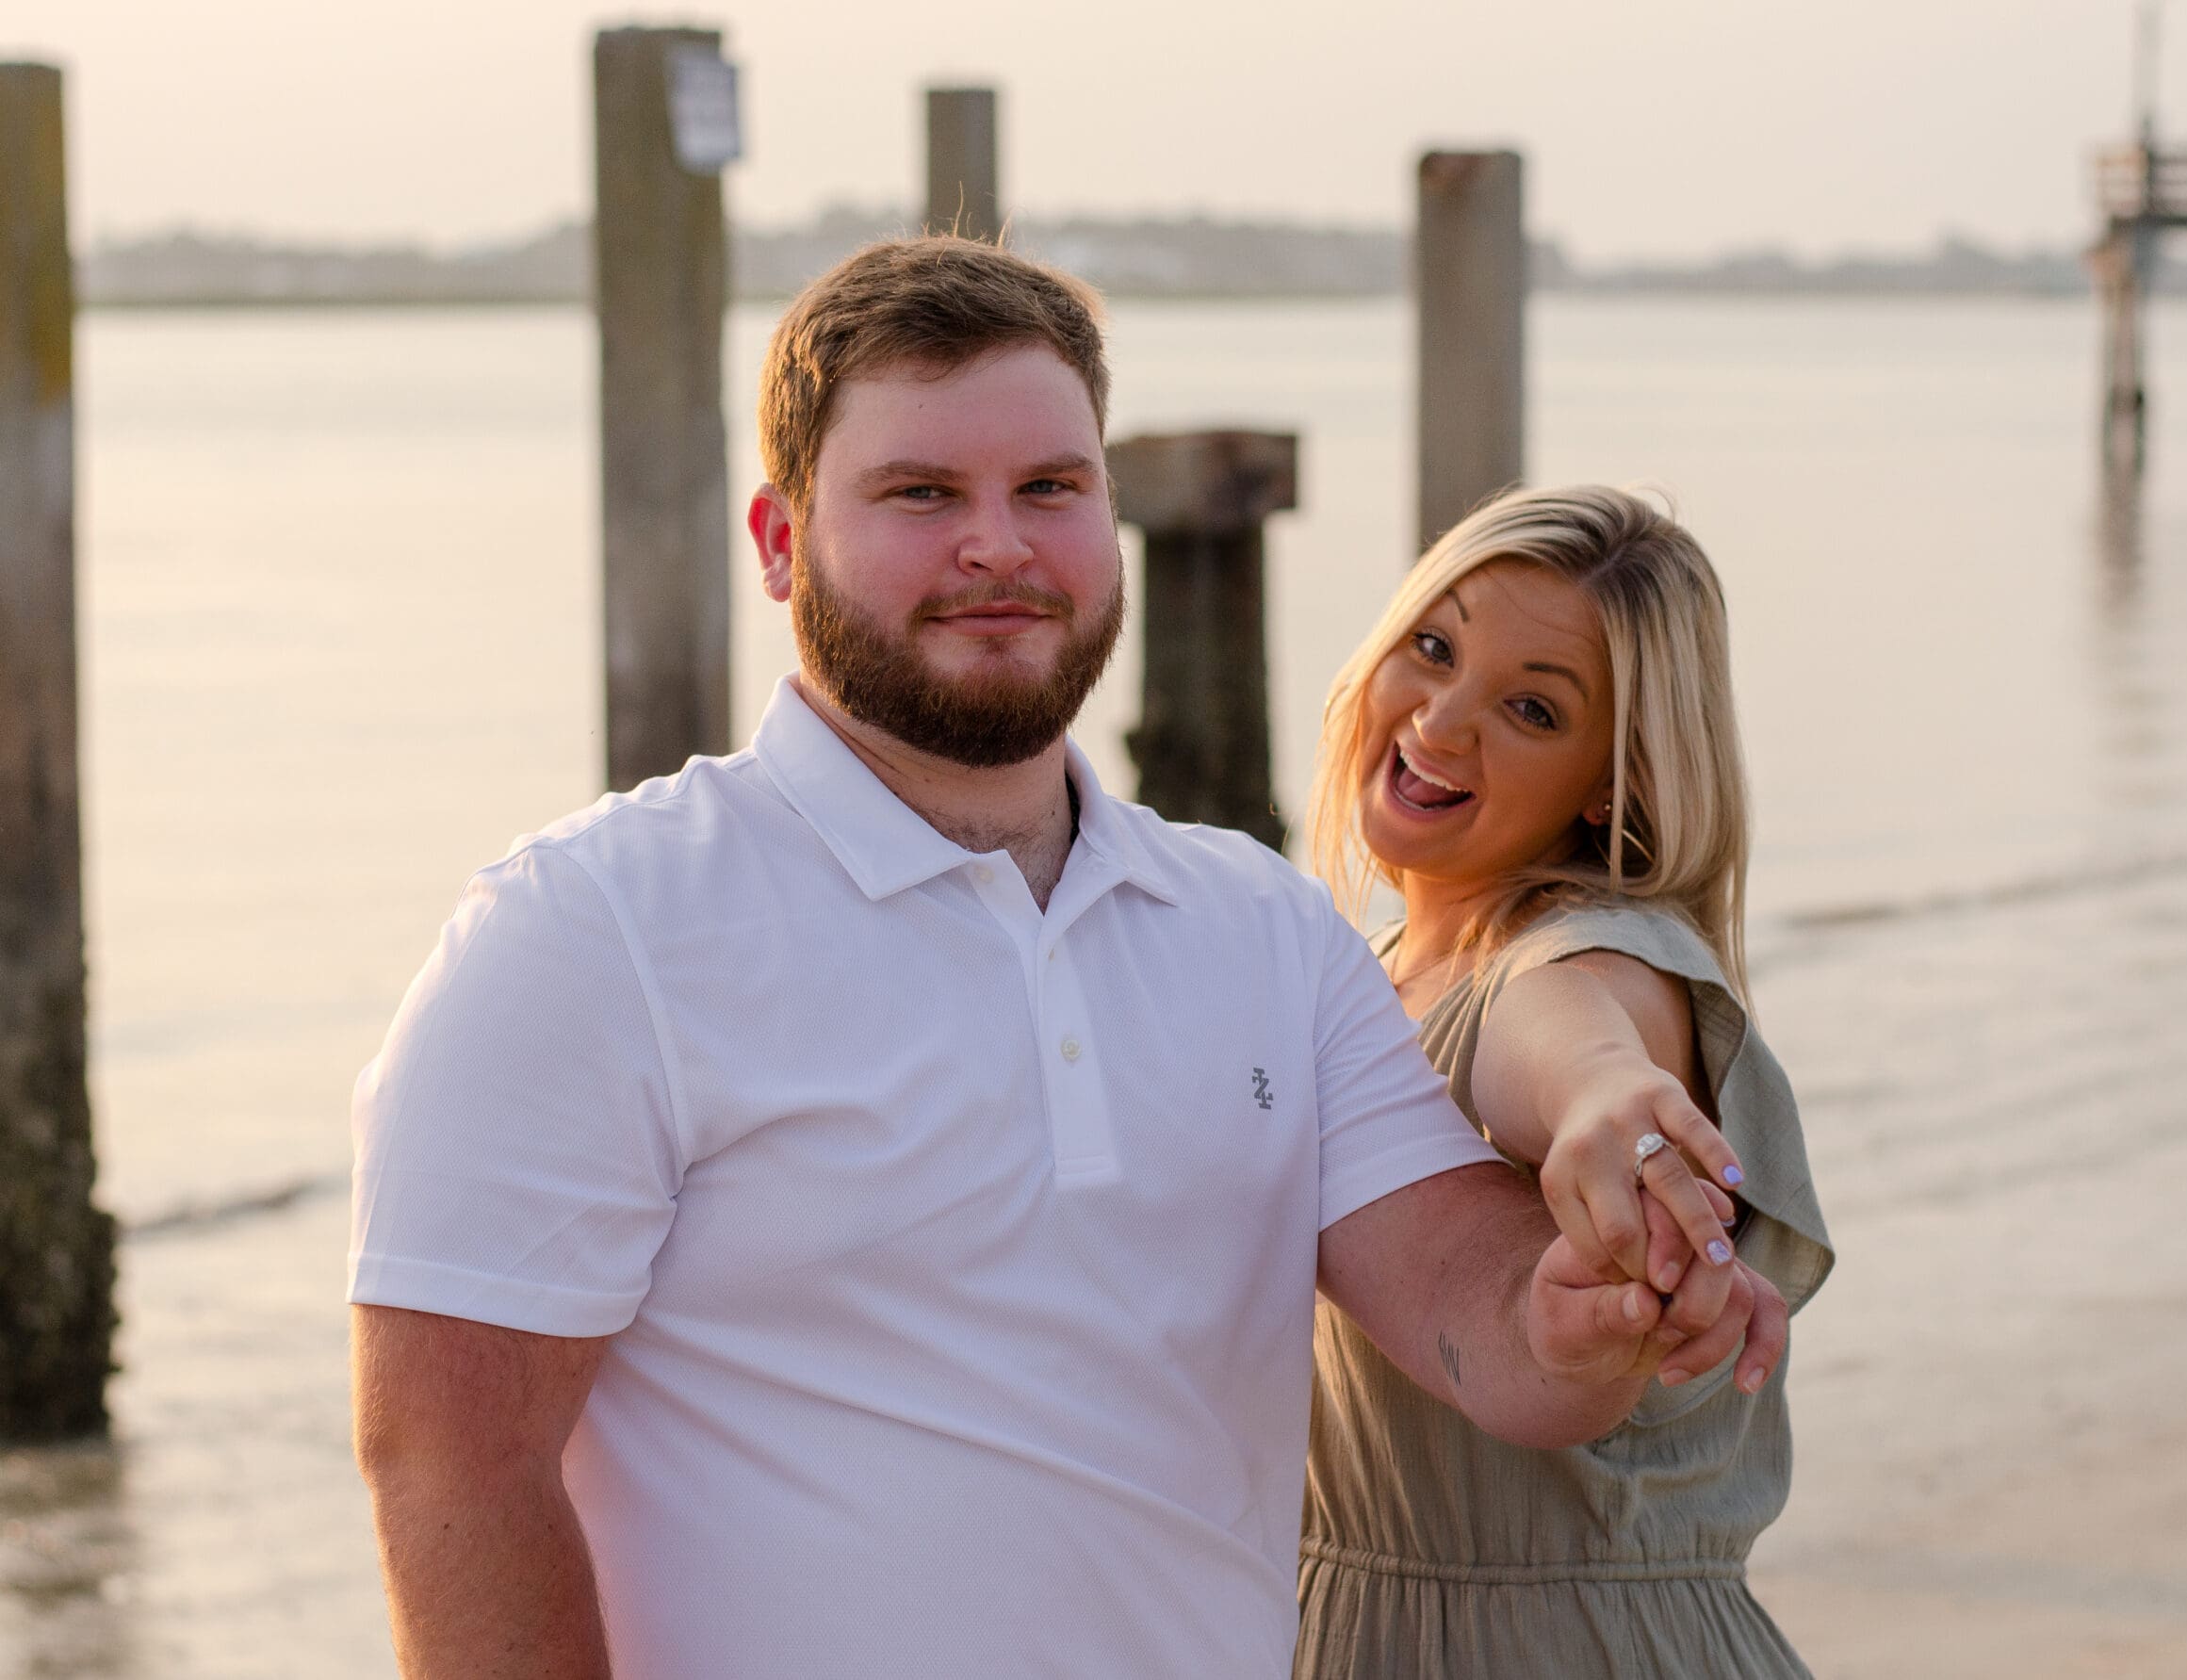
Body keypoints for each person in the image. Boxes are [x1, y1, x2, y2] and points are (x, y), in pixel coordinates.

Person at [346, 238, 1787, 1680]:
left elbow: (1488, 1319)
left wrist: (1596, 1307)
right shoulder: (589, 930)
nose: (999, 544)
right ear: (781, 540)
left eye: (1050, 487)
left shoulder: (1267, 929)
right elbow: (450, 1462)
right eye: (922, 493)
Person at [1294, 486, 1836, 1678]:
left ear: (1614, 783)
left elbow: (1561, 1028)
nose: (1440, 722)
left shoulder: (1603, 958)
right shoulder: (1355, 975)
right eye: (1434, 647)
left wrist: (1599, 1094)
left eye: (1532, 708)